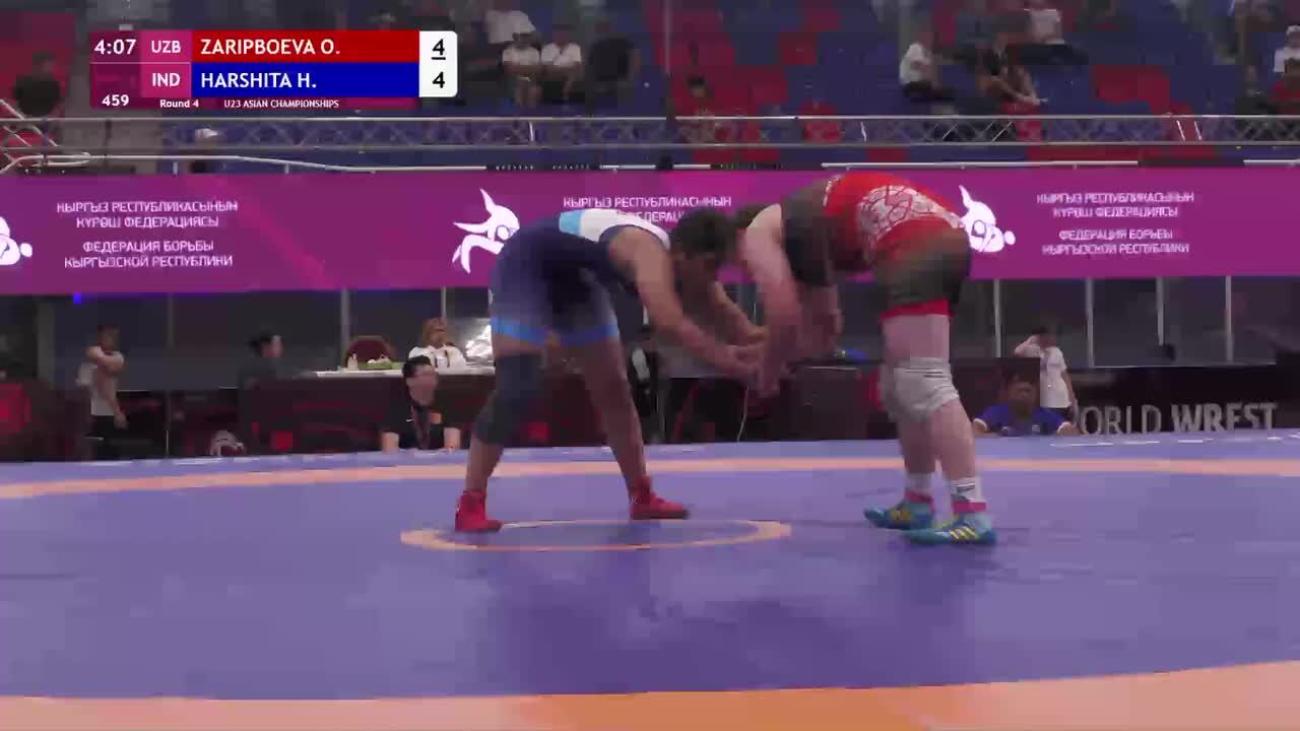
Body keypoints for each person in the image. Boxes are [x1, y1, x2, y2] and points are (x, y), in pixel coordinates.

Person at [454, 208, 759, 533]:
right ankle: (470, 502)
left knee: (614, 388)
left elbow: (734, 320)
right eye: (710, 266)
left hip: (577, 281)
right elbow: (669, 324)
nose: (713, 277)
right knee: (518, 385)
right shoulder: (649, 252)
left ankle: (642, 495)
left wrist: (779, 343)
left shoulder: (690, 265)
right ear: (682, 254)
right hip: (526, 264)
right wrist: (731, 363)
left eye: (718, 267)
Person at [731, 172, 995, 545]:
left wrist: (768, 372)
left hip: (913, 243)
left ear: (739, 238)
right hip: (942, 235)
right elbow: (826, 329)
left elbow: (785, 317)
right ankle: (918, 500)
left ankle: (971, 512)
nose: (748, 273)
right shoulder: (806, 228)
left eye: (742, 264)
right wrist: (770, 353)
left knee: (924, 380)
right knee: (899, 385)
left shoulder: (761, 231)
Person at [381, 356, 462, 452]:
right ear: (409, 381)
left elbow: (453, 447)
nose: (433, 378)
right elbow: (389, 449)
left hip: (440, 459)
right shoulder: (396, 410)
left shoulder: (446, 406)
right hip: (406, 460)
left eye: (434, 374)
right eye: (426, 375)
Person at [973, 372, 1080, 437]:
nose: (1024, 395)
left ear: (1035, 394)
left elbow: (1071, 432)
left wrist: (1049, 437)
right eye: (1020, 391)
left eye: (1028, 391)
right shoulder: (996, 412)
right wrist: (998, 436)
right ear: (1009, 393)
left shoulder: (1045, 415)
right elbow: (973, 430)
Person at [77, 324, 126, 460]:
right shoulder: (85, 367)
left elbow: (110, 368)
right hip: (91, 414)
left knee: (110, 453)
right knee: (93, 452)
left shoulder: (117, 357)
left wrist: (117, 412)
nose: (113, 339)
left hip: (109, 413)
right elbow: (84, 391)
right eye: (109, 335)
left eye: (115, 336)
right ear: (99, 337)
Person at [1014, 324, 1077, 421]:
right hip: (1046, 399)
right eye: (1043, 337)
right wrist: (1030, 340)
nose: (1047, 339)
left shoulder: (1056, 352)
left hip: (1061, 398)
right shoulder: (1032, 351)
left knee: (1063, 424)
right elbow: (1017, 352)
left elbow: (1065, 375)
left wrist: (1072, 398)